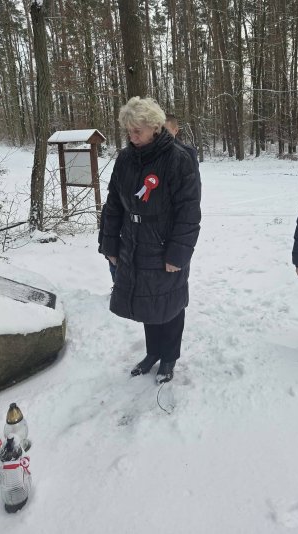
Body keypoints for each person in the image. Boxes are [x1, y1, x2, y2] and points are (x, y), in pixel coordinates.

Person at [99, 97, 201, 383]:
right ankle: (153, 352)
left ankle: (169, 357)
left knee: (168, 305)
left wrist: (177, 255)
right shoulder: (125, 158)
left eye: (138, 131)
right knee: (146, 302)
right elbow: (113, 204)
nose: (133, 137)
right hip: (132, 243)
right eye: (129, 131)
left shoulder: (178, 158)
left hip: (164, 244)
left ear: (155, 128)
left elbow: (189, 212)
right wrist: (110, 245)